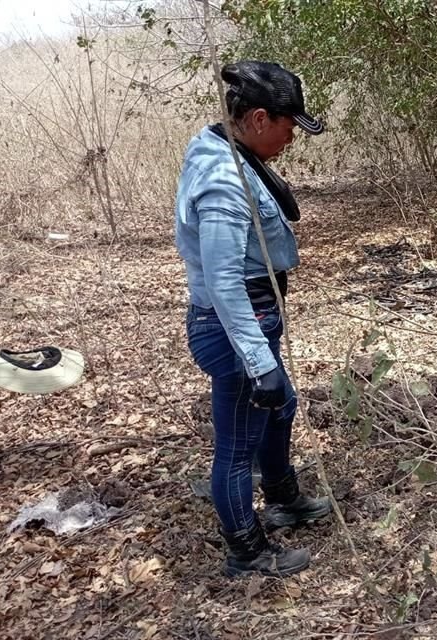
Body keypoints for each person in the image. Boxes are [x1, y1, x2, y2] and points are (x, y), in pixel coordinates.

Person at [175, 61, 330, 578]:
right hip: (233, 327)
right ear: (261, 119)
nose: (292, 137)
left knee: (282, 406)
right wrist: (258, 359)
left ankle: (282, 496)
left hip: (253, 317)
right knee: (237, 446)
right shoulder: (224, 180)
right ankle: (246, 549)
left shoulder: (232, 150)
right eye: (289, 126)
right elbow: (224, 282)